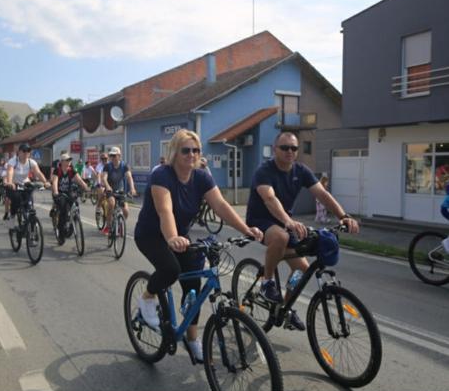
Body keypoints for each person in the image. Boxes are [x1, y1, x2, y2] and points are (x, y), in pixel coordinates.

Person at [134, 129, 263, 362]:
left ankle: (192, 340)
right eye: (186, 150)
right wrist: (172, 238)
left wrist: (246, 230)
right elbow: (165, 210)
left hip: (179, 236)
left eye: (196, 150)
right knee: (170, 269)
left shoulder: (202, 177)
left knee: (193, 284)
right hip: (151, 235)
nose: (192, 155)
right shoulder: (162, 174)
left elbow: (220, 205)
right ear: (174, 152)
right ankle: (147, 297)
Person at [246, 131, 359, 331]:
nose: (289, 151)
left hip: (285, 222)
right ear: (275, 149)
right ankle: (267, 282)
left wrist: (343, 216)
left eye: (294, 148)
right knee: (280, 237)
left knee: (302, 270)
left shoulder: (301, 171)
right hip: (261, 221)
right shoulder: (264, 171)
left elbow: (322, 194)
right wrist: (288, 221)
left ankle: (285, 308)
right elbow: (270, 199)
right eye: (284, 147)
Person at [5, 144, 50, 228]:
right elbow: (10, 171)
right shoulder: (13, 161)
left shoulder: (31, 162)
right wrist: (10, 182)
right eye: (24, 151)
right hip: (14, 184)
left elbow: (38, 172)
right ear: (19, 152)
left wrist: (45, 182)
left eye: (28, 151)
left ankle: (29, 221)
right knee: (16, 200)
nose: (26, 153)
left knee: (29, 204)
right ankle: (12, 217)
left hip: (25, 184)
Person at [51, 153, 89, 240]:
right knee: (63, 209)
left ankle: (73, 221)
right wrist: (56, 192)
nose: (69, 162)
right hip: (59, 193)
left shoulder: (71, 170)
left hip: (68, 192)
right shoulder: (57, 170)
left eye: (70, 160)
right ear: (62, 162)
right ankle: (61, 232)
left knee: (75, 204)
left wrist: (86, 187)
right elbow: (55, 181)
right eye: (67, 160)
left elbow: (79, 180)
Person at [101, 146, 137, 234]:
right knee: (111, 203)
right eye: (111, 156)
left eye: (114, 156)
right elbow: (104, 178)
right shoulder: (108, 166)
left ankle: (120, 224)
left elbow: (129, 177)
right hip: (110, 190)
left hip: (120, 190)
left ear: (119, 156)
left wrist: (132, 188)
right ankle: (108, 225)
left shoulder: (124, 166)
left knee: (126, 211)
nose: (112, 158)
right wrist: (107, 186)